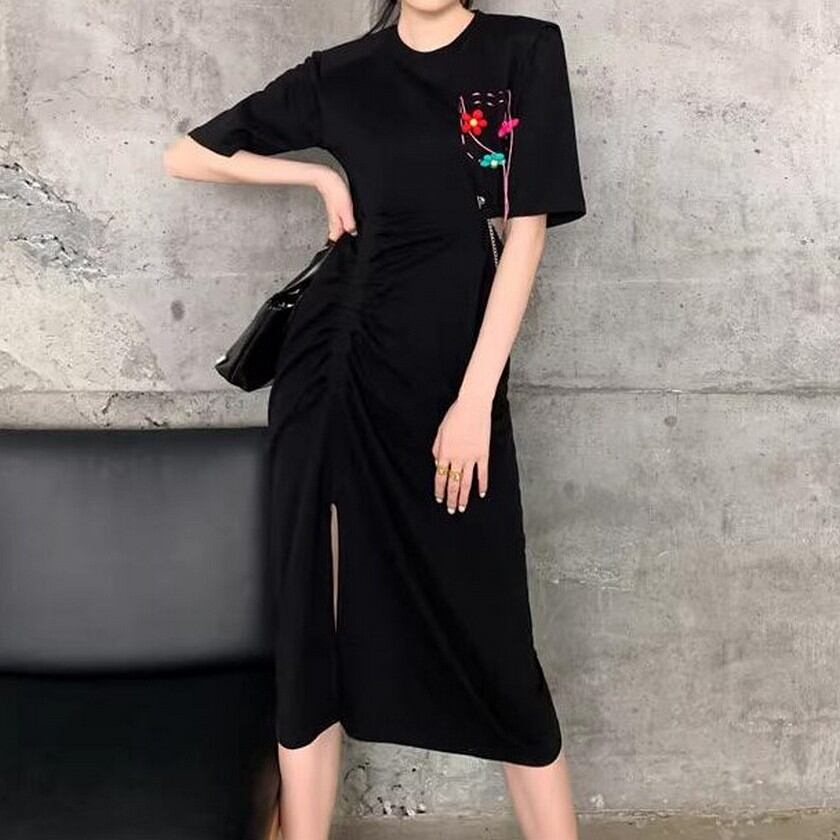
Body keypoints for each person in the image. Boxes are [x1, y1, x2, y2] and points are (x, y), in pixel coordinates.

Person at [164, 1, 586, 837]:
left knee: (491, 626)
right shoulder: (342, 72)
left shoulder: (521, 51)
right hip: (332, 368)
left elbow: (524, 234)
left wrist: (473, 400)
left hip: (448, 379)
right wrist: (317, 177)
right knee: (312, 611)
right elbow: (188, 154)